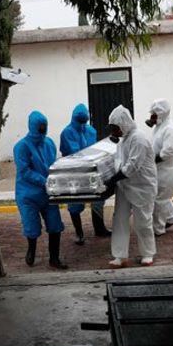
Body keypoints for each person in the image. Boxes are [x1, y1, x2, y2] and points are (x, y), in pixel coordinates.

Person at [100, 105, 158, 267]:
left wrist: (112, 179)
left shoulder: (138, 138)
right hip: (125, 185)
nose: (113, 132)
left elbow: (133, 165)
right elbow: (119, 160)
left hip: (142, 186)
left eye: (115, 128)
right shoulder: (124, 138)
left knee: (143, 221)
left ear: (124, 124)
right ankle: (120, 256)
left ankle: (147, 253)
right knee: (119, 219)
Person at [13, 111, 68, 269]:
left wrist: (58, 178)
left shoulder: (49, 143)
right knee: (32, 226)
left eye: (44, 126)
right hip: (28, 194)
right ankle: (31, 250)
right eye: (40, 127)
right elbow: (24, 171)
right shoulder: (21, 147)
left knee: (55, 224)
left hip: (48, 193)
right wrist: (44, 181)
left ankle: (54, 258)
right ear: (32, 126)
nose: (43, 129)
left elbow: (53, 164)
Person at [59, 103, 112, 245]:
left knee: (98, 199)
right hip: (74, 173)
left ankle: (99, 228)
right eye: (80, 121)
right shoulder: (67, 133)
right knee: (75, 203)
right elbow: (72, 153)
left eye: (84, 121)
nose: (82, 124)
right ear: (74, 119)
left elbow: (94, 150)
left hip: (91, 171)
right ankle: (79, 233)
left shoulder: (91, 131)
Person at [145, 99, 173, 235]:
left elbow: (167, 153)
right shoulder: (159, 127)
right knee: (161, 197)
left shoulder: (170, 129)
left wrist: (149, 161)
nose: (151, 118)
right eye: (151, 115)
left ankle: (158, 229)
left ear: (162, 114)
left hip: (166, 170)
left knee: (160, 200)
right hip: (158, 169)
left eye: (154, 115)